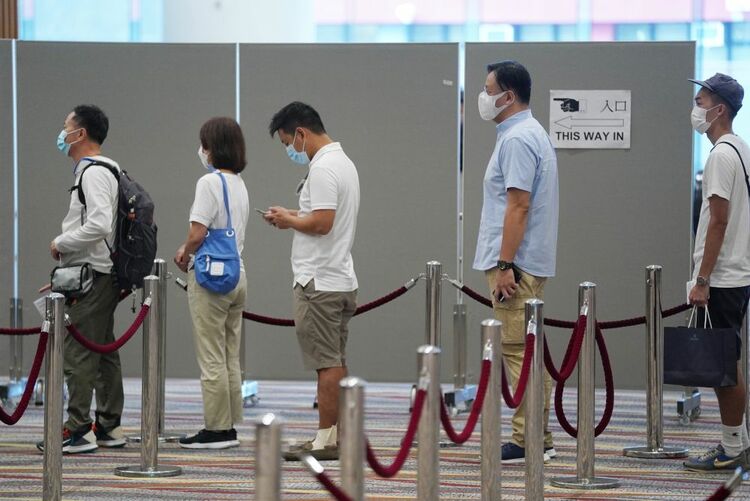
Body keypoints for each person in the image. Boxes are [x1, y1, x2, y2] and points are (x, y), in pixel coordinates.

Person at [472, 60, 559, 464]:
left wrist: (505, 263)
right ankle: (537, 434)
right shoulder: (525, 133)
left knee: (516, 351)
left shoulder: (518, 139)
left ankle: (527, 439)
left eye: (489, 89)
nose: (483, 96)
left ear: (508, 96)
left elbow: (518, 206)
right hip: (523, 263)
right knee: (527, 350)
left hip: (515, 266)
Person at [265, 102, 359, 461]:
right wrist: (292, 215)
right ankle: (338, 433)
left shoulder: (322, 168)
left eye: (288, 142)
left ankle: (326, 439)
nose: (290, 150)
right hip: (338, 276)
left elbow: (322, 223)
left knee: (327, 364)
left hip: (318, 281)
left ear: (301, 133)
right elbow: (321, 217)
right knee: (335, 360)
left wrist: (290, 222)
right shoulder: (343, 163)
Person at [37, 105, 125, 453]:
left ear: (81, 134)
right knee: (102, 351)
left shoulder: (93, 172)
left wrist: (61, 243)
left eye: (66, 127)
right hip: (95, 273)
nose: (62, 134)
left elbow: (99, 224)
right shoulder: (107, 169)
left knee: (79, 352)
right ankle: (108, 426)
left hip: (93, 275)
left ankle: (78, 429)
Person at [682, 73, 750, 472]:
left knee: (722, 367)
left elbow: (718, 222)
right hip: (735, 272)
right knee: (730, 360)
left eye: (701, 99)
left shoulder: (722, 156)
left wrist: (703, 279)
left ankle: (730, 447)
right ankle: (738, 440)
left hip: (723, 276)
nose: (697, 107)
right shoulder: (740, 150)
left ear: (719, 109)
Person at [174, 117, 250, 449]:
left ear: (212, 148)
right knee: (230, 353)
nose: (201, 151)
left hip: (210, 276)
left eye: (204, 144)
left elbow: (198, 232)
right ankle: (230, 423)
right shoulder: (240, 184)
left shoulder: (209, 183)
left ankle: (216, 429)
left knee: (210, 355)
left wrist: (183, 251)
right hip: (238, 275)